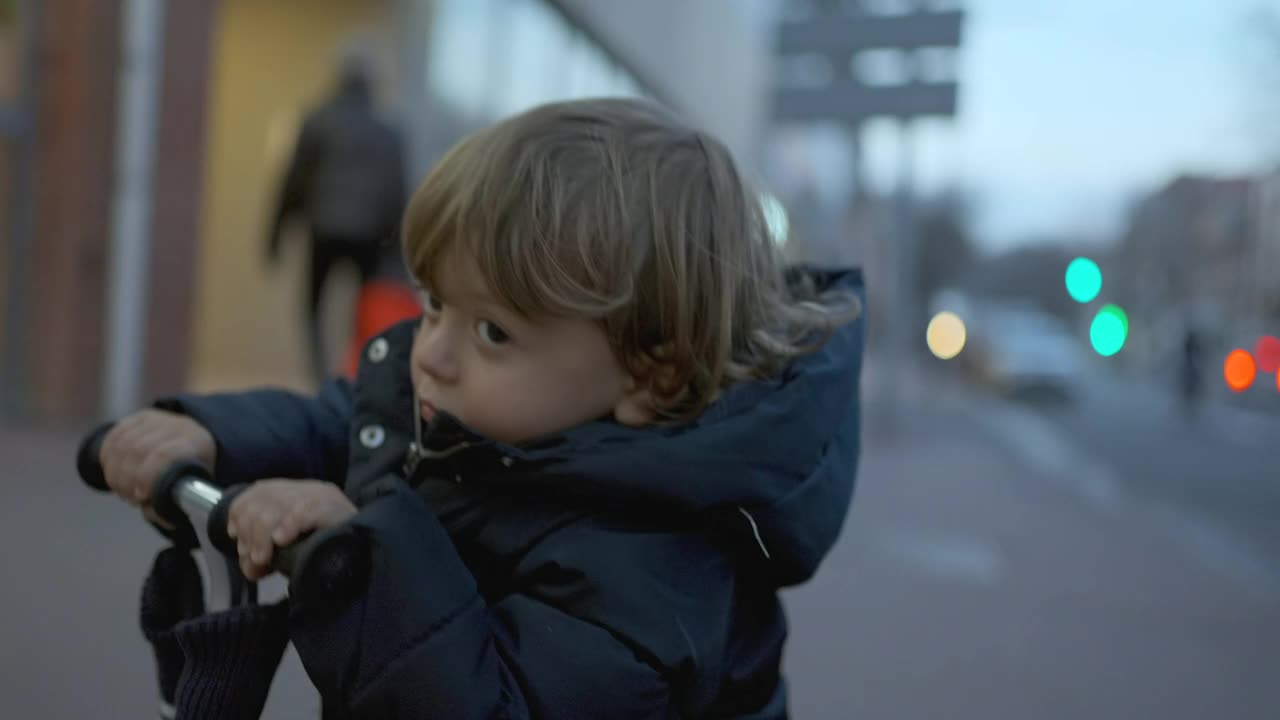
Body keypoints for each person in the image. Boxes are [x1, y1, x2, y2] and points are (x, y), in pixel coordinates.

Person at [96, 98, 866, 718]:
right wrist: (210, 434)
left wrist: (361, 561)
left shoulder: (658, 566)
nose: (430, 352)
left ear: (653, 374)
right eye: (434, 305)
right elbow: (347, 421)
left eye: (493, 331)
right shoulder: (473, 406)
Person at [268, 53, 408, 384]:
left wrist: (274, 234)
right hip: (371, 237)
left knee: (313, 310)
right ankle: (359, 376)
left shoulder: (317, 120)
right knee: (364, 309)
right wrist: (397, 245)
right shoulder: (387, 131)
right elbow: (398, 190)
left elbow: (293, 180)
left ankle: (318, 378)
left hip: (324, 229)